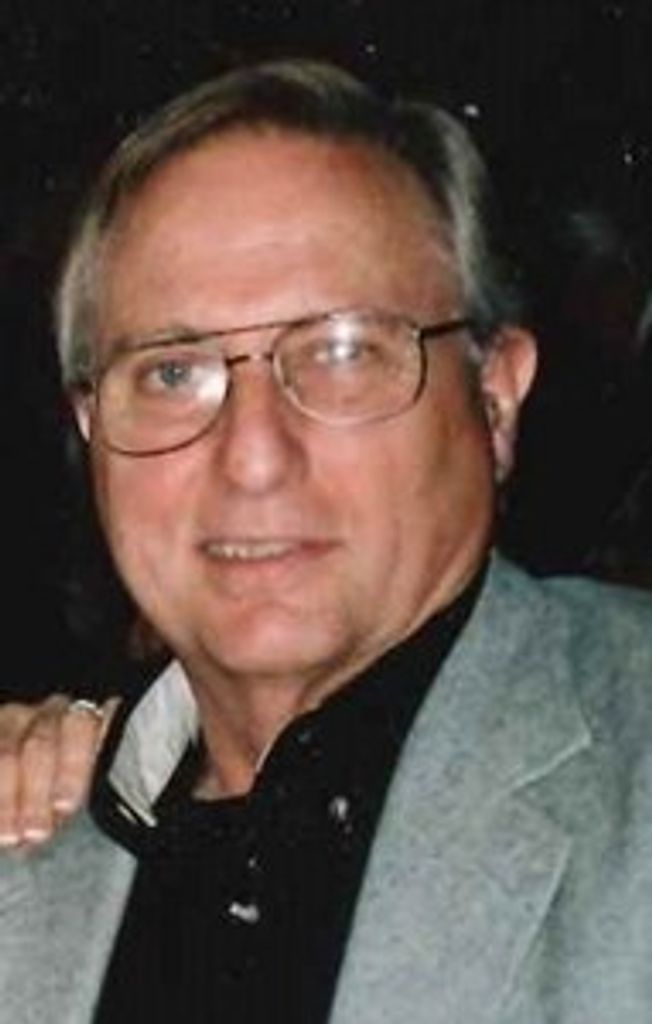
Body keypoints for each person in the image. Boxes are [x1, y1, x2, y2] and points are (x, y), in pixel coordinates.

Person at [2, 56, 652, 1024]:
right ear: (90, 429)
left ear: (495, 398)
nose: (253, 457)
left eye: (343, 352)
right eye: (173, 372)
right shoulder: (34, 838)